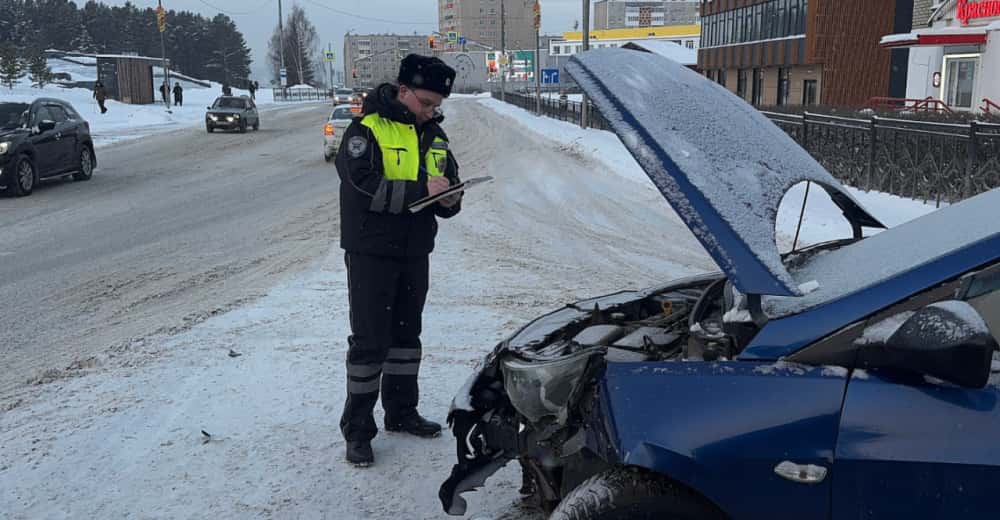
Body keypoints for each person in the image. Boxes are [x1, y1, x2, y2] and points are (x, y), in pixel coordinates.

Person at [336, 54, 461, 467]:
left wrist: (451, 197)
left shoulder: (435, 135)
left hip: (414, 250)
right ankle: (358, 430)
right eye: (425, 102)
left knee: (407, 339)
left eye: (436, 105)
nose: (430, 111)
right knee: (371, 343)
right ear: (403, 90)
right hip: (371, 251)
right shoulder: (366, 128)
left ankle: (402, 412)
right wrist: (422, 190)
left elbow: (449, 185)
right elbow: (362, 185)